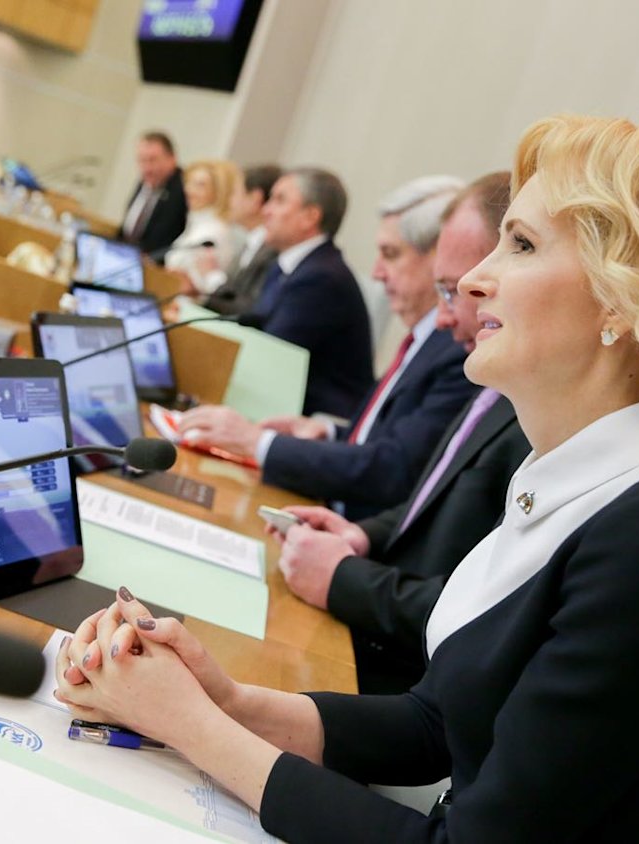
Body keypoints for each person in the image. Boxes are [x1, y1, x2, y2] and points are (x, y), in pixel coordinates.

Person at [55, 114, 639, 840]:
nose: (474, 279)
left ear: (625, 295)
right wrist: (226, 700)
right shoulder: (590, 478)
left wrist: (190, 726)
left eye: (520, 244)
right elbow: (438, 724)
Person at [275, 172, 532, 693]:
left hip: (406, 679)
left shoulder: (523, 406)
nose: (445, 316)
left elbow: (485, 612)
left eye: (451, 290)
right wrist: (363, 535)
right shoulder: (494, 387)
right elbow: (429, 499)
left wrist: (343, 578)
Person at [178, 175, 477, 521]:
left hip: (352, 523)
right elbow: (383, 437)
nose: (377, 273)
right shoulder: (425, 338)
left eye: (391, 254)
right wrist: (329, 431)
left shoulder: (457, 349)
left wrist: (257, 442)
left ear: (439, 259)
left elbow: (394, 468)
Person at [240, 167, 374, 418]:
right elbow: (255, 322)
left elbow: (269, 355)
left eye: (279, 200)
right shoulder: (286, 266)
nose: (266, 210)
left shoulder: (322, 278)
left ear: (310, 217)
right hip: (284, 403)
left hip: (319, 419)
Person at [203, 164, 283, 315]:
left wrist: (213, 278)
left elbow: (249, 309)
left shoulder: (273, 251)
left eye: (234, 193)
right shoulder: (251, 242)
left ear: (254, 199)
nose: (230, 201)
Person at [163, 160, 241, 295]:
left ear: (218, 191)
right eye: (190, 183)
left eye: (200, 185)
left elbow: (206, 286)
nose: (189, 190)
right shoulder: (196, 224)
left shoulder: (214, 232)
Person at [117, 131, 187, 257]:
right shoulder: (144, 182)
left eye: (153, 160)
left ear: (172, 158)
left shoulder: (184, 189)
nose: (147, 168)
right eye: (142, 160)